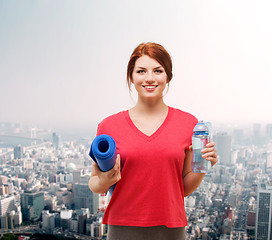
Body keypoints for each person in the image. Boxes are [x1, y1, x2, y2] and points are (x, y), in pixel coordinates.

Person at [89, 42, 218, 240]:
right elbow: (95, 183)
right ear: (131, 77)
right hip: (122, 228)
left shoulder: (188, 123)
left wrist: (203, 166)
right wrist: (106, 180)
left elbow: (182, 189)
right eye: (141, 71)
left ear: (168, 76)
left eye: (158, 70)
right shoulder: (108, 126)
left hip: (171, 229)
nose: (149, 78)